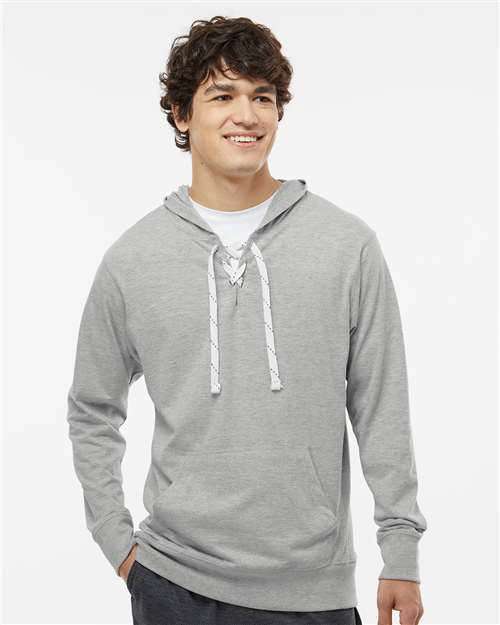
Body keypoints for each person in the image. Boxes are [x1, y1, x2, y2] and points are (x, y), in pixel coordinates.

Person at [66, 15, 427, 625]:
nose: (248, 115)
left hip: (313, 592)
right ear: (182, 114)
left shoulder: (347, 246)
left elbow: (381, 406)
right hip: (173, 583)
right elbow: (91, 409)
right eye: (222, 96)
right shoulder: (133, 260)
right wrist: (118, 543)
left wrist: (401, 551)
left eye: (263, 97)